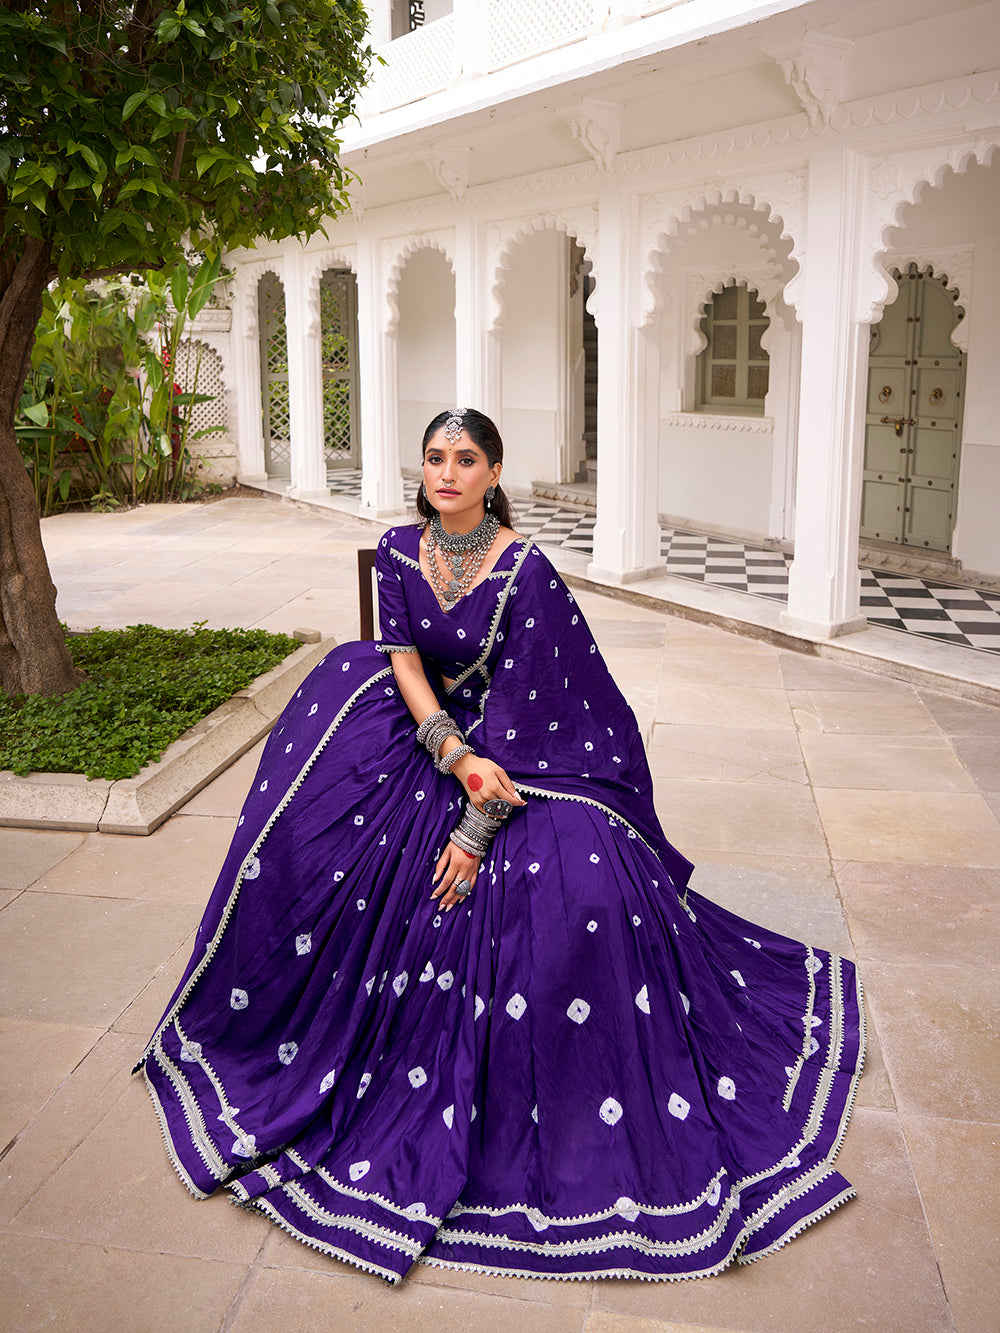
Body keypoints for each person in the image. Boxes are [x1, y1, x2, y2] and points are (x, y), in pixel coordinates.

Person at [136, 408, 864, 1285]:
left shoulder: (526, 570)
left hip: (532, 752)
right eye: (436, 457)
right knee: (317, 812)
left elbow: (543, 706)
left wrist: (478, 822)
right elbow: (401, 657)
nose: (447, 472)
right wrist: (449, 748)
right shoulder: (403, 551)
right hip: (437, 734)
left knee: (585, 895)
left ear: (493, 472)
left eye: (466, 459)